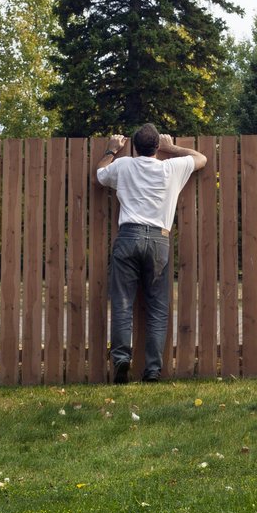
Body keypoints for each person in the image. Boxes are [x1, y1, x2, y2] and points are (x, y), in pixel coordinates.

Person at [94, 123, 206, 383]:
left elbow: (99, 175)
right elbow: (201, 159)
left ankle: (122, 360)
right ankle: (153, 370)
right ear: (157, 147)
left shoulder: (123, 166)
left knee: (122, 303)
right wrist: (172, 147)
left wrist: (111, 151)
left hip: (128, 236)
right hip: (159, 240)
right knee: (157, 308)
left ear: (133, 146)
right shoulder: (171, 168)